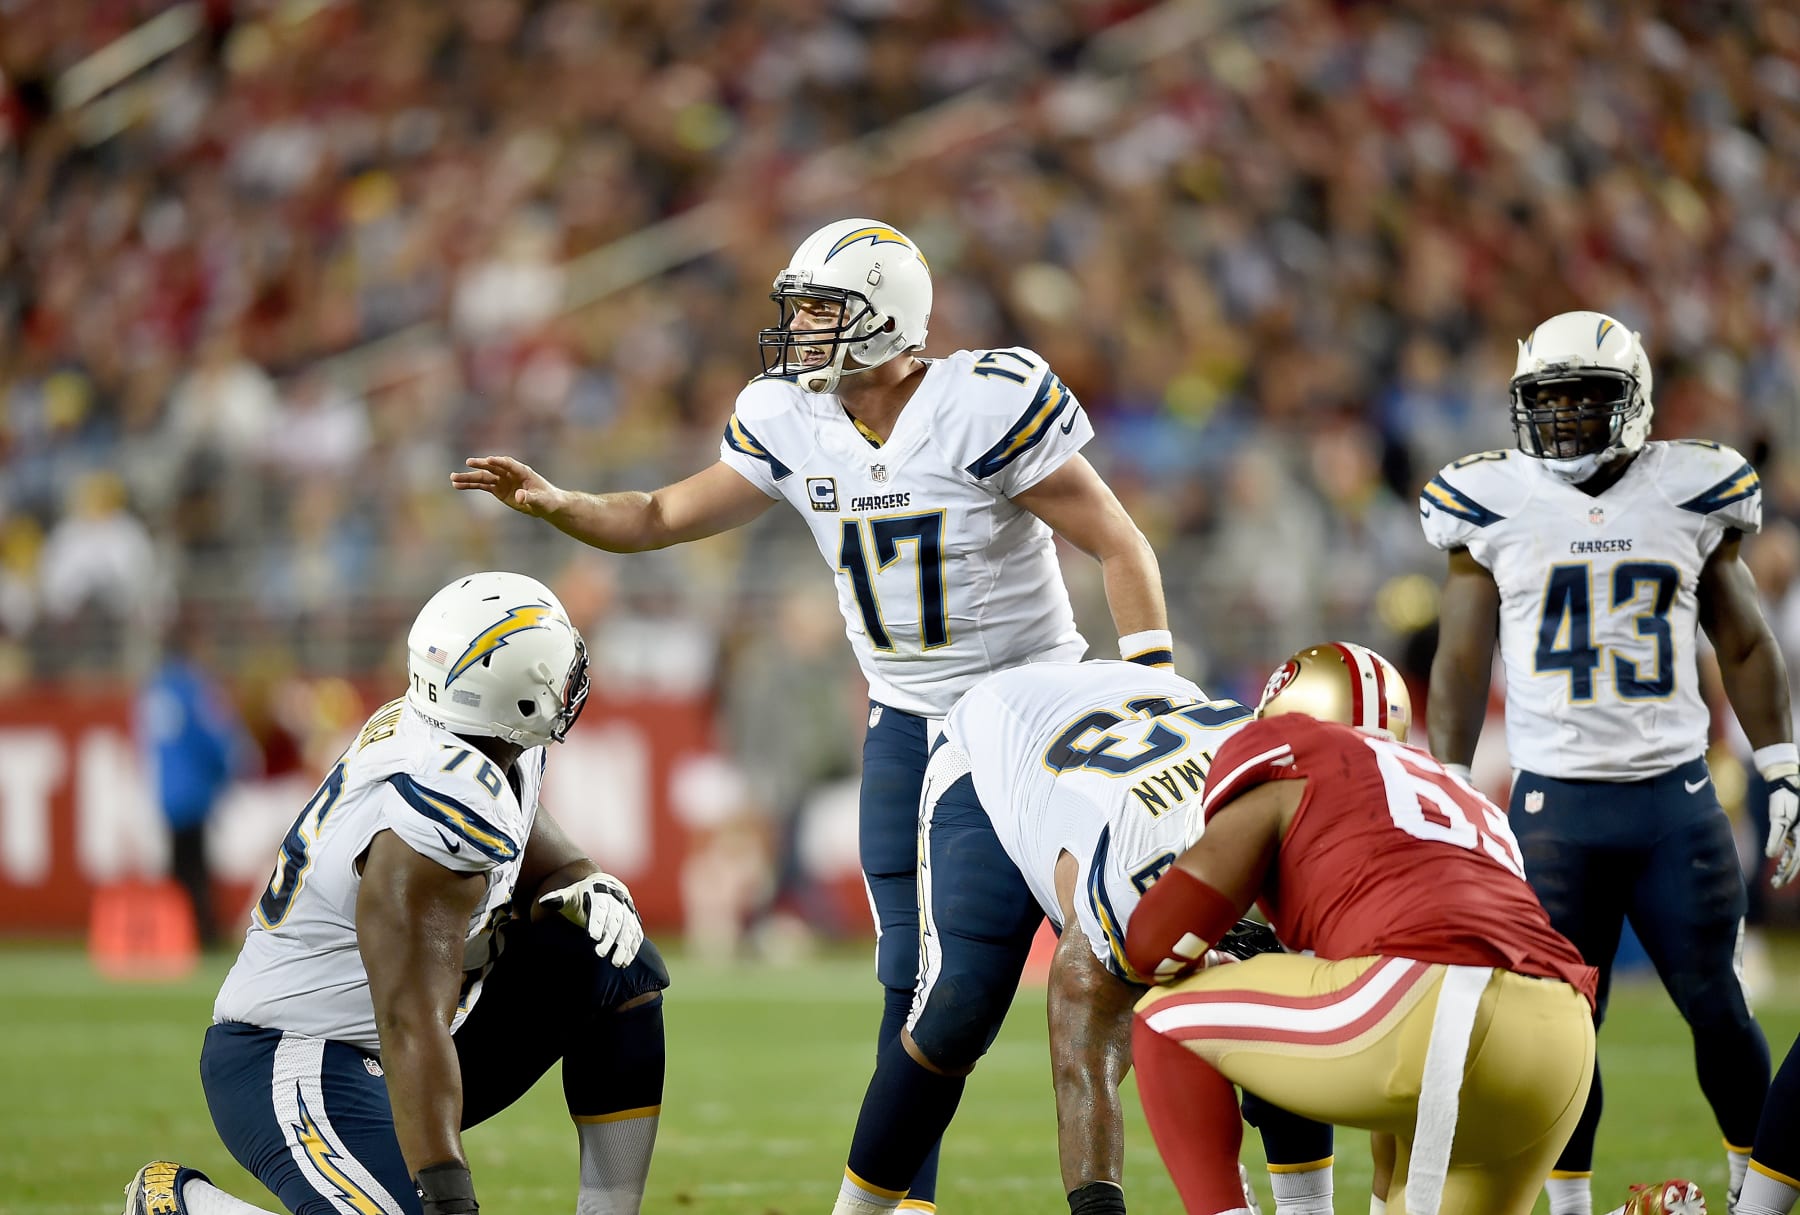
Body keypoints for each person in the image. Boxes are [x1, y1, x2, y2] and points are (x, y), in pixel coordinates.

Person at [453, 218, 1168, 1212]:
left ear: (890, 317)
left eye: (823, 310)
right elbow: (661, 516)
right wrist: (561, 503)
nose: (800, 330)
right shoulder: (791, 418)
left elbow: (1123, 546)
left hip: (1036, 713)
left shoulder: (982, 403)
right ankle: (900, 1203)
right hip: (911, 726)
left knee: (1133, 946)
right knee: (910, 983)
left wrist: (1148, 682)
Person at [122, 571, 670, 1215]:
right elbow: (409, 1018)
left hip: (416, 1033)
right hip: (297, 1054)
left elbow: (530, 835)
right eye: (553, 661)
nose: (570, 672)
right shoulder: (435, 811)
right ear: (509, 692)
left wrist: (581, 878)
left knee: (613, 958)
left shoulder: (480, 734)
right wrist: (448, 1197)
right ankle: (188, 1206)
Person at [1423, 310, 1793, 1214]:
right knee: (1559, 1028)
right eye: (1550, 401)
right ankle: (1571, 1207)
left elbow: (1743, 641)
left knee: (1717, 1004)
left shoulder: (1688, 488)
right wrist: (1445, 785)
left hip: (1678, 798)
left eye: (1589, 398)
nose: (1569, 420)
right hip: (1556, 808)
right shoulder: (1494, 499)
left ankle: (1757, 1194)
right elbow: (1463, 659)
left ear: (1634, 400)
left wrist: (1782, 761)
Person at [1122, 641, 1701, 1215]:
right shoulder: (1460, 796)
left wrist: (1213, 960)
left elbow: (1151, 944)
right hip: (1561, 1038)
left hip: (1430, 1001)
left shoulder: (1291, 753)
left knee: (1163, 1019)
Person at [137, 611, 246, 949]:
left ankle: (175, 932)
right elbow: (211, 736)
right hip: (193, 788)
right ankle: (200, 932)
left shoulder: (155, 687)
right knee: (194, 865)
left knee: (179, 863)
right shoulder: (192, 686)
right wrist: (231, 766)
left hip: (167, 787)